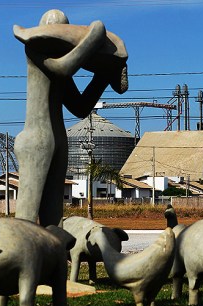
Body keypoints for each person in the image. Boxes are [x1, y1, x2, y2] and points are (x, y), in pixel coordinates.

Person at [12, 10, 128, 226]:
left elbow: (80, 107)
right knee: (25, 220)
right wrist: (94, 36)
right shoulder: (35, 50)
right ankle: (20, 255)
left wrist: (104, 76)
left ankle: (54, 257)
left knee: (53, 218)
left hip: (59, 140)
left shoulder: (60, 76)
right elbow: (64, 68)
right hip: (36, 140)